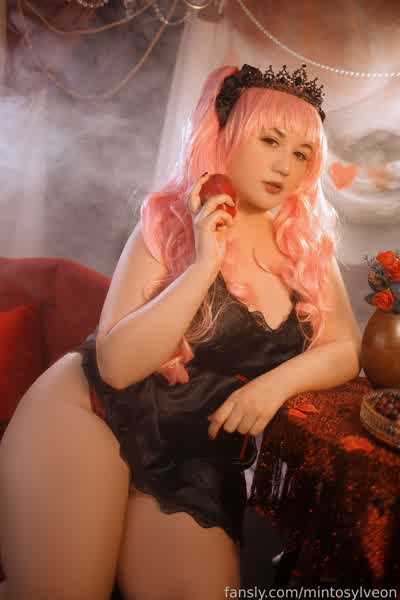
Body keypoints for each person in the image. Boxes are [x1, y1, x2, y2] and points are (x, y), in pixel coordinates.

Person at [0, 63, 361, 600]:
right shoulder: (166, 221)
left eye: (302, 153)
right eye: (270, 141)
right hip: (91, 414)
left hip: (193, 456)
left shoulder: (305, 245)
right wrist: (203, 265)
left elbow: (345, 349)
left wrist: (272, 386)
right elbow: (117, 367)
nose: (285, 166)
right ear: (229, 136)